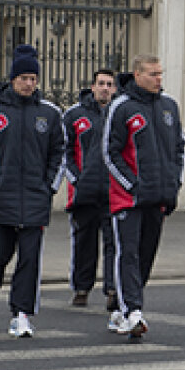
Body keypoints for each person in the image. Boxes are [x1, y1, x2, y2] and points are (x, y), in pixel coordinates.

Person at [0, 44, 65, 337]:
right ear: (13, 79)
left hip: (36, 200)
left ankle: (21, 314)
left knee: (30, 260)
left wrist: (49, 186)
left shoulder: (49, 113)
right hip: (0, 200)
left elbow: (60, 152)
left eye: (33, 78)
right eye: (23, 78)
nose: (29, 83)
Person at [103, 54, 185, 338]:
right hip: (128, 198)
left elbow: (177, 150)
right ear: (137, 75)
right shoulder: (121, 107)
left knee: (146, 256)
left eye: (160, 73)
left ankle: (121, 303)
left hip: (158, 196)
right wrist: (131, 184)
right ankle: (133, 311)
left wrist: (174, 184)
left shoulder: (169, 107)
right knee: (128, 252)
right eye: (152, 74)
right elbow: (110, 152)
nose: (158, 79)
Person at [62, 68, 118, 315]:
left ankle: (112, 290)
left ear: (115, 89)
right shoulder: (74, 114)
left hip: (113, 192)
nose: (105, 88)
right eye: (101, 83)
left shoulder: (119, 114)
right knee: (84, 242)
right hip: (84, 192)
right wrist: (76, 179)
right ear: (92, 86)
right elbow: (64, 151)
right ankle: (81, 288)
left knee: (113, 242)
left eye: (109, 84)